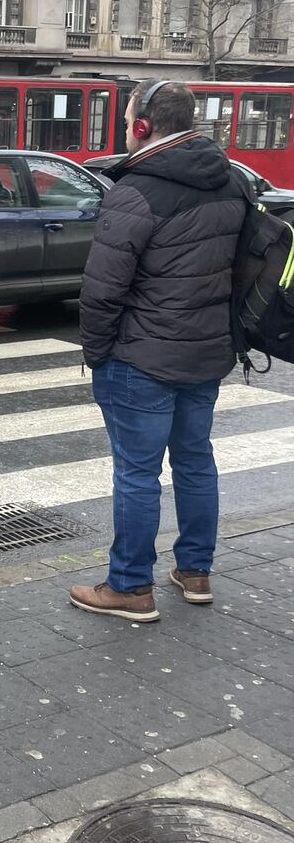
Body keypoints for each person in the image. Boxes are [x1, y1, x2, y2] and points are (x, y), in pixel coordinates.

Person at [71, 80, 247, 625]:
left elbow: (103, 290)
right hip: (206, 351)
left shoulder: (136, 191)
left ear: (142, 125)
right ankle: (195, 573)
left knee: (137, 473)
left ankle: (129, 586)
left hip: (141, 359)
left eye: (128, 119)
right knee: (195, 461)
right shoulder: (234, 182)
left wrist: (98, 354)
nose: (126, 127)